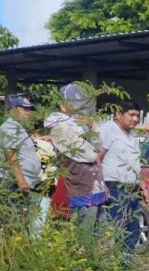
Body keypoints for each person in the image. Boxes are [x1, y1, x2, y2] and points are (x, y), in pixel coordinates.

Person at [45, 82, 106, 229]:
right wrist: (97, 152)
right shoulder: (60, 127)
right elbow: (90, 156)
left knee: (102, 231)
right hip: (81, 188)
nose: (81, 111)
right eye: (77, 107)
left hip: (97, 187)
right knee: (85, 232)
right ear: (63, 106)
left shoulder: (81, 125)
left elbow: (101, 146)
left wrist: (92, 126)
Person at [98, 99, 149, 254]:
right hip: (114, 187)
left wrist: (143, 187)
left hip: (132, 188)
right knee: (117, 227)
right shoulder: (108, 129)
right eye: (131, 115)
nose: (135, 119)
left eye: (137, 116)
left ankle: (125, 261)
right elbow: (97, 158)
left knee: (133, 227)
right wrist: (101, 185)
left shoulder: (133, 135)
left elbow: (134, 163)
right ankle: (113, 260)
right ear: (119, 114)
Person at [0, 95, 48, 233]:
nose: (29, 112)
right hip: (11, 182)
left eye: (30, 109)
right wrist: (21, 180)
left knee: (18, 221)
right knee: (11, 222)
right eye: (25, 109)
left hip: (19, 183)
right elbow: (11, 154)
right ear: (13, 110)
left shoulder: (19, 127)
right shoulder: (11, 127)